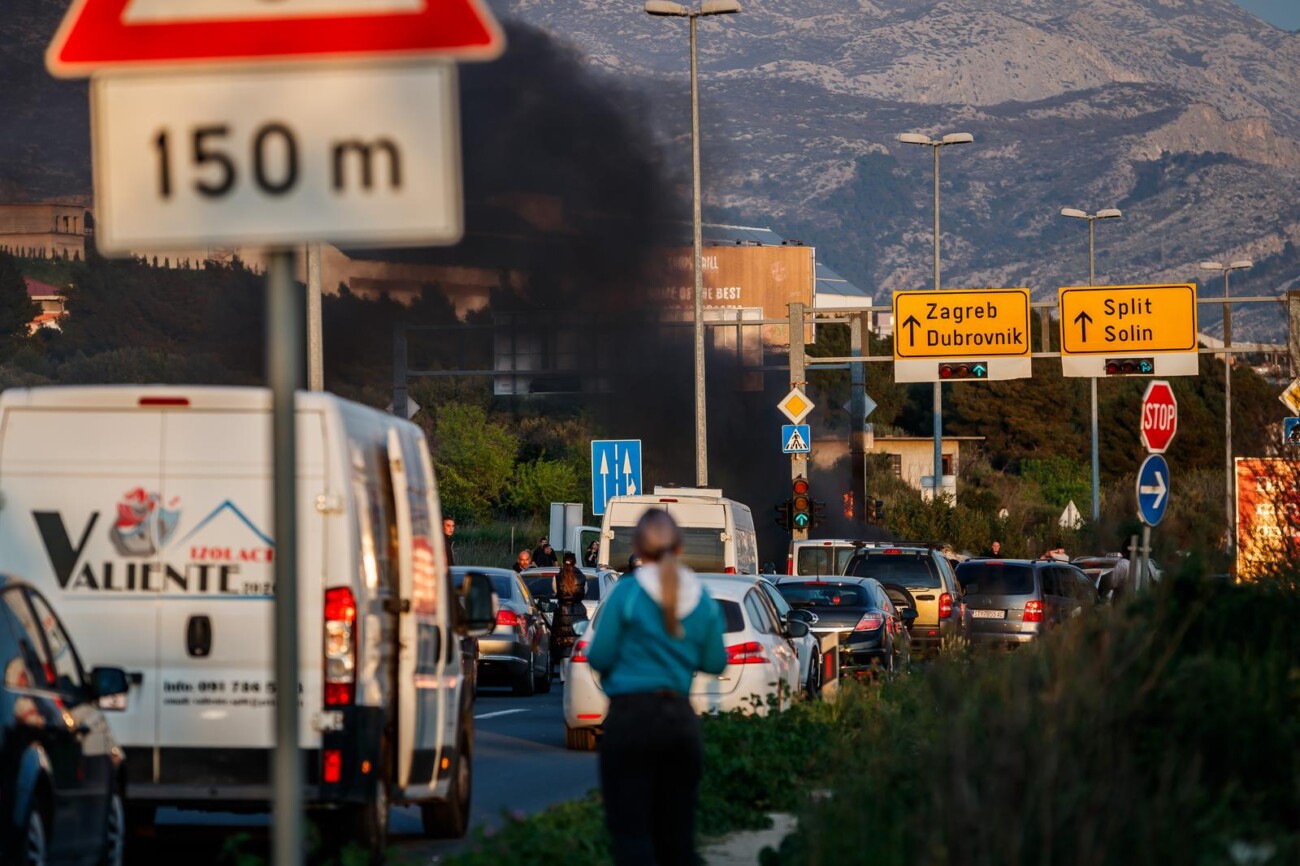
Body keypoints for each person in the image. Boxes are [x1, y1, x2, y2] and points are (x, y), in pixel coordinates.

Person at [587, 509, 727, 866]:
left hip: (630, 720)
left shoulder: (627, 593)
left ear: (636, 547)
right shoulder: (701, 597)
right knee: (678, 837)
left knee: (631, 834)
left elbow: (599, 656)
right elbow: (715, 662)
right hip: (679, 722)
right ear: (680, 547)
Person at [550, 553, 589, 679]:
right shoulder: (582, 577)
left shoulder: (557, 577)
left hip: (562, 612)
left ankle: (563, 676)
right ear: (575, 563)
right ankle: (576, 674)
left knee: (563, 644)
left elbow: (555, 592)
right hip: (578, 611)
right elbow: (585, 592)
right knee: (576, 642)